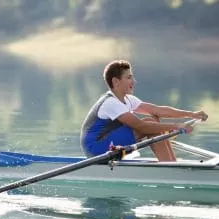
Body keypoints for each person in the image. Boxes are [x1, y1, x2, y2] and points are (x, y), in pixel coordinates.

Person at [80, 60, 208, 161]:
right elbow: (141, 126)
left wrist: (192, 114)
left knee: (152, 119)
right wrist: (178, 126)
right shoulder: (110, 103)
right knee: (149, 125)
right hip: (96, 148)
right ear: (116, 81)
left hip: (109, 143)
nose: (134, 81)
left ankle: (170, 162)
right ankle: (169, 166)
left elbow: (157, 110)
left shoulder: (128, 99)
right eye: (129, 78)